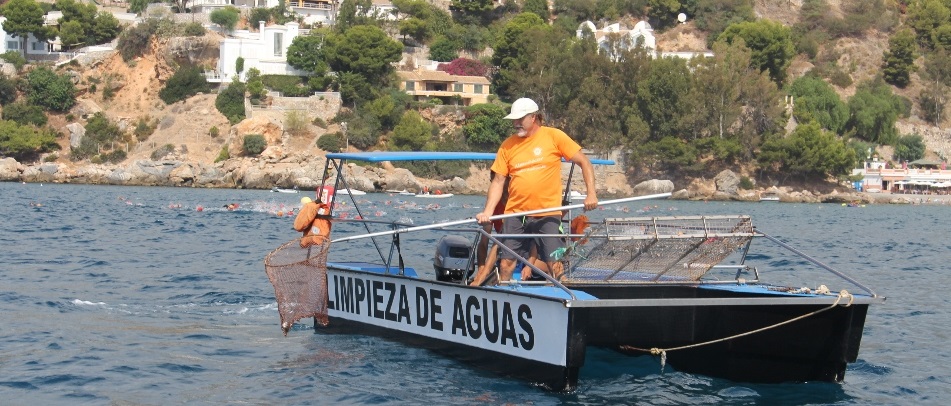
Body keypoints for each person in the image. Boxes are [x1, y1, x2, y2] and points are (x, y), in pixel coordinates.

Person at [476, 97, 598, 282]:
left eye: (520, 119)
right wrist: (487, 212)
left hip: (547, 211)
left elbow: (584, 162)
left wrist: (591, 194)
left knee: (555, 263)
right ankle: (506, 297)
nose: (516, 124)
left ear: (533, 117)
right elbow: (498, 181)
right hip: (515, 213)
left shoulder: (554, 136)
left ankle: (566, 298)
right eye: (514, 120)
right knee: (505, 264)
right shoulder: (507, 145)